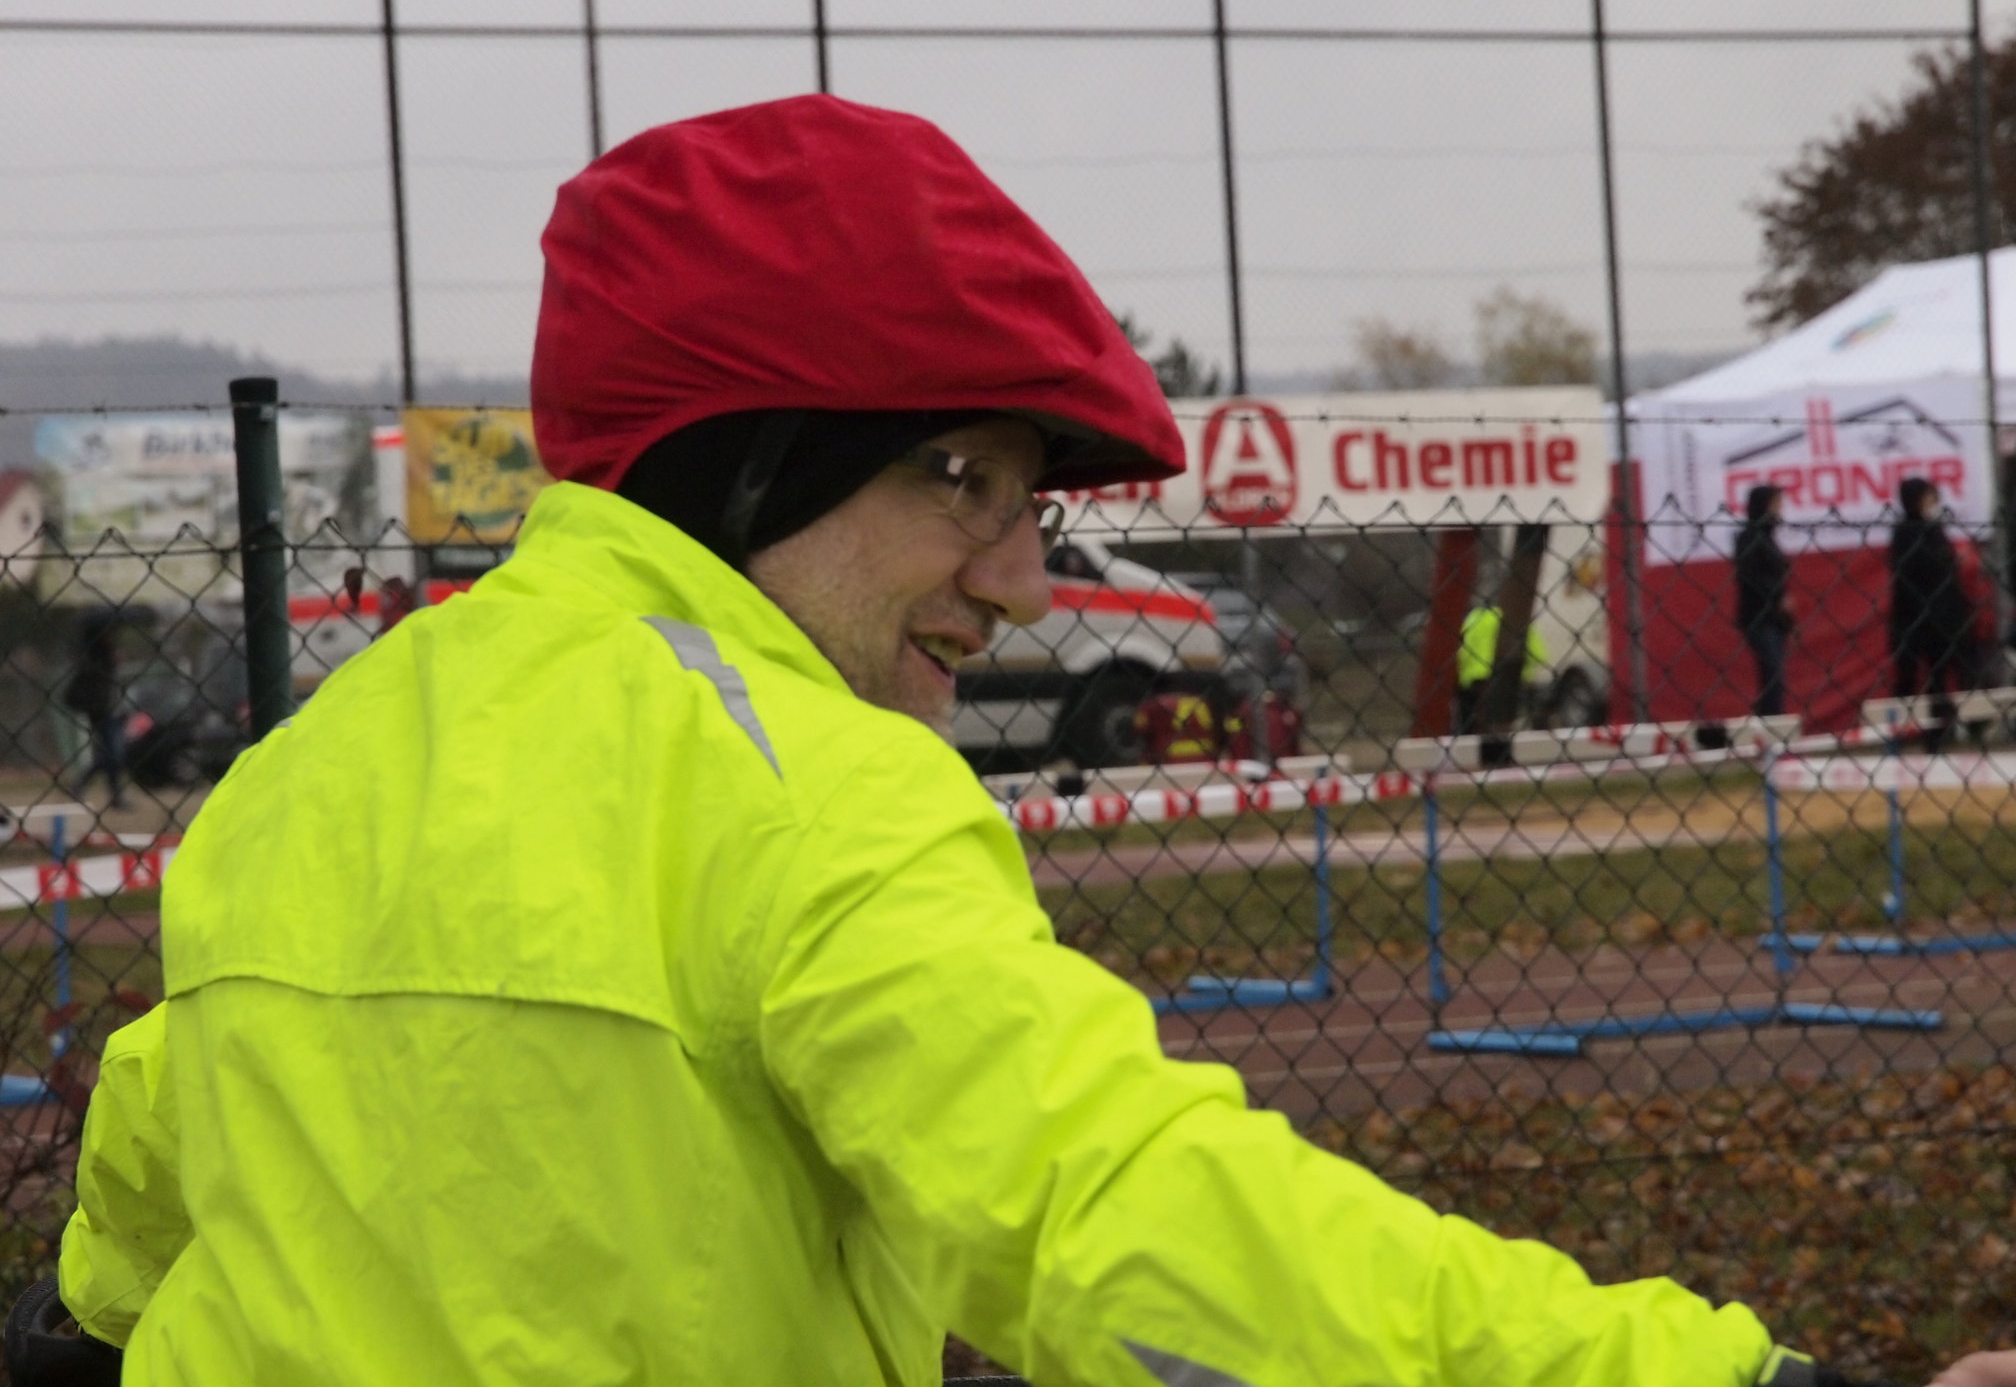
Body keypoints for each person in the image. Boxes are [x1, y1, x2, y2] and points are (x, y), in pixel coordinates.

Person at [37, 97, 1920, 1387]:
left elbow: (155, 1169)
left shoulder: (323, 759)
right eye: (961, 479)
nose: (1021, 577)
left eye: (1031, 502)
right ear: (750, 466)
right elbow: (1124, 1225)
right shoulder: (807, 789)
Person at [1889, 476, 1976, 705]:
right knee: (1908, 675)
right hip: (1914, 616)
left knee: (1944, 672)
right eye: (1927, 498)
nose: (1932, 503)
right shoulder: (1905, 532)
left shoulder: (1934, 529)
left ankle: (1945, 720)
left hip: (1945, 616)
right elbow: (1913, 571)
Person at [1733, 482, 1794, 718]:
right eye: (1776, 504)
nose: (1780, 509)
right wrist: (1777, 596)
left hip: (1774, 618)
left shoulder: (1768, 537)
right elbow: (1750, 575)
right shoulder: (1748, 537)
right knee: (1772, 672)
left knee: (1773, 674)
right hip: (1758, 615)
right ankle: (1769, 722)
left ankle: (1771, 721)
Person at [61, 618, 126, 810]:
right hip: (102, 711)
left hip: (110, 709)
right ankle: (88, 786)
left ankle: (88, 787)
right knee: (112, 753)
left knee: (109, 753)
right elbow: (98, 684)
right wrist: (112, 659)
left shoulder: (101, 655)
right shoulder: (97, 656)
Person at [1455, 599, 1548, 734]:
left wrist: (1463, 677)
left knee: (1476, 721)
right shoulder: (1514, 618)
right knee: (1510, 718)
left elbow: (1462, 653)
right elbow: (1538, 653)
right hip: (1513, 677)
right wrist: (1525, 671)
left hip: (1479, 680)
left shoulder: (1474, 619)